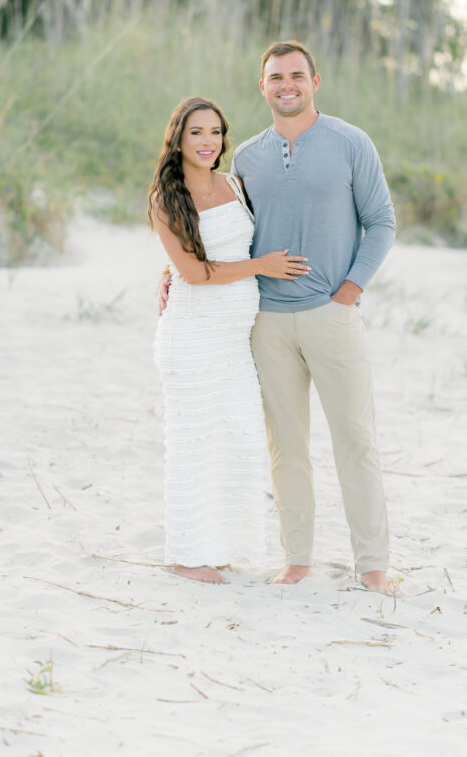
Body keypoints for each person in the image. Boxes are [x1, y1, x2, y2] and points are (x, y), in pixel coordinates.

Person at [161, 44, 397, 595]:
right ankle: (298, 560)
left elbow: (381, 221)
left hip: (331, 316)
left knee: (355, 439)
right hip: (265, 320)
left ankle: (374, 566)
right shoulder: (244, 156)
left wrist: (350, 290)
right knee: (285, 445)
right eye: (275, 77)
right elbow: (207, 222)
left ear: (314, 80)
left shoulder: (349, 143)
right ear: (262, 86)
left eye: (296, 75)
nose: (286, 84)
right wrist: (169, 270)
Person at [149, 96, 309, 584]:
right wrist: (260, 268)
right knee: (194, 442)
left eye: (215, 132)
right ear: (178, 137)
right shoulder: (166, 198)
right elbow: (195, 272)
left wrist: (169, 268)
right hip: (192, 335)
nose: (207, 142)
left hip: (234, 340)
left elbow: (231, 245)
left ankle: (216, 547)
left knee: (236, 438)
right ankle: (185, 556)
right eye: (196, 132)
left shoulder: (235, 185)